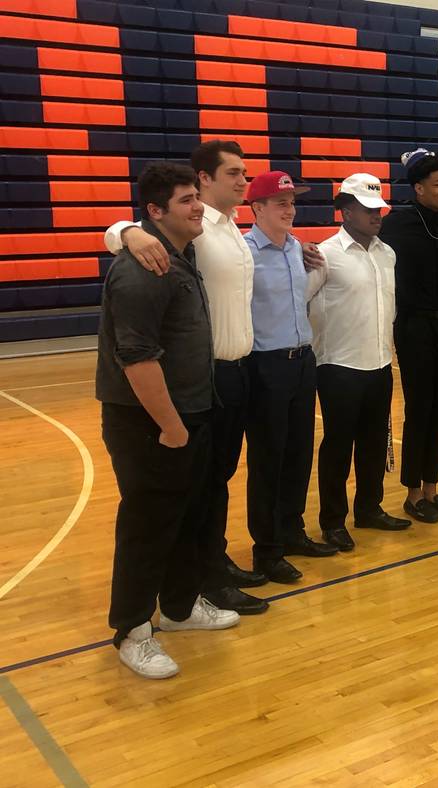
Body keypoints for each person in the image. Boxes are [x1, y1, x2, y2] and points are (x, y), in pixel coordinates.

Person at [103, 141, 272, 614]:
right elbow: (132, 233)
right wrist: (125, 233)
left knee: (210, 484)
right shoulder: (184, 237)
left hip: (230, 374)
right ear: (204, 179)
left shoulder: (233, 228)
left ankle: (201, 576)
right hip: (193, 383)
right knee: (182, 496)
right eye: (233, 173)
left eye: (245, 173)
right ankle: (197, 584)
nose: (243, 181)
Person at [96, 162, 239, 679]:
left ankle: (178, 608)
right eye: (185, 200)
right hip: (150, 423)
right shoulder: (142, 267)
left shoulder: (182, 252)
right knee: (148, 525)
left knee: (189, 518)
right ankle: (133, 631)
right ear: (155, 211)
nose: (197, 206)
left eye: (194, 197)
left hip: (194, 412)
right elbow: (136, 358)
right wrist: (171, 426)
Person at [244, 171, 338, 584]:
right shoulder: (243, 252)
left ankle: (292, 531)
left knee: (299, 453)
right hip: (265, 365)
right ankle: (266, 550)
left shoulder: (296, 248)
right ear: (257, 208)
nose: (290, 209)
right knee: (269, 460)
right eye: (280, 203)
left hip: (303, 362)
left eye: (292, 202)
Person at [308, 174, 412, 551]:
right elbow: (301, 302)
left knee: (371, 443)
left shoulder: (388, 254)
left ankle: (370, 508)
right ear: (345, 210)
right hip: (338, 366)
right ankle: (333, 521)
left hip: (380, 363)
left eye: (378, 209)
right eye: (367, 209)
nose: (375, 215)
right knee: (338, 446)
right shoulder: (325, 254)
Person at [379, 148, 438, 523]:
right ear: (418, 188)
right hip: (415, 328)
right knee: (419, 411)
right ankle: (413, 493)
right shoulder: (397, 225)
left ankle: (432, 488)